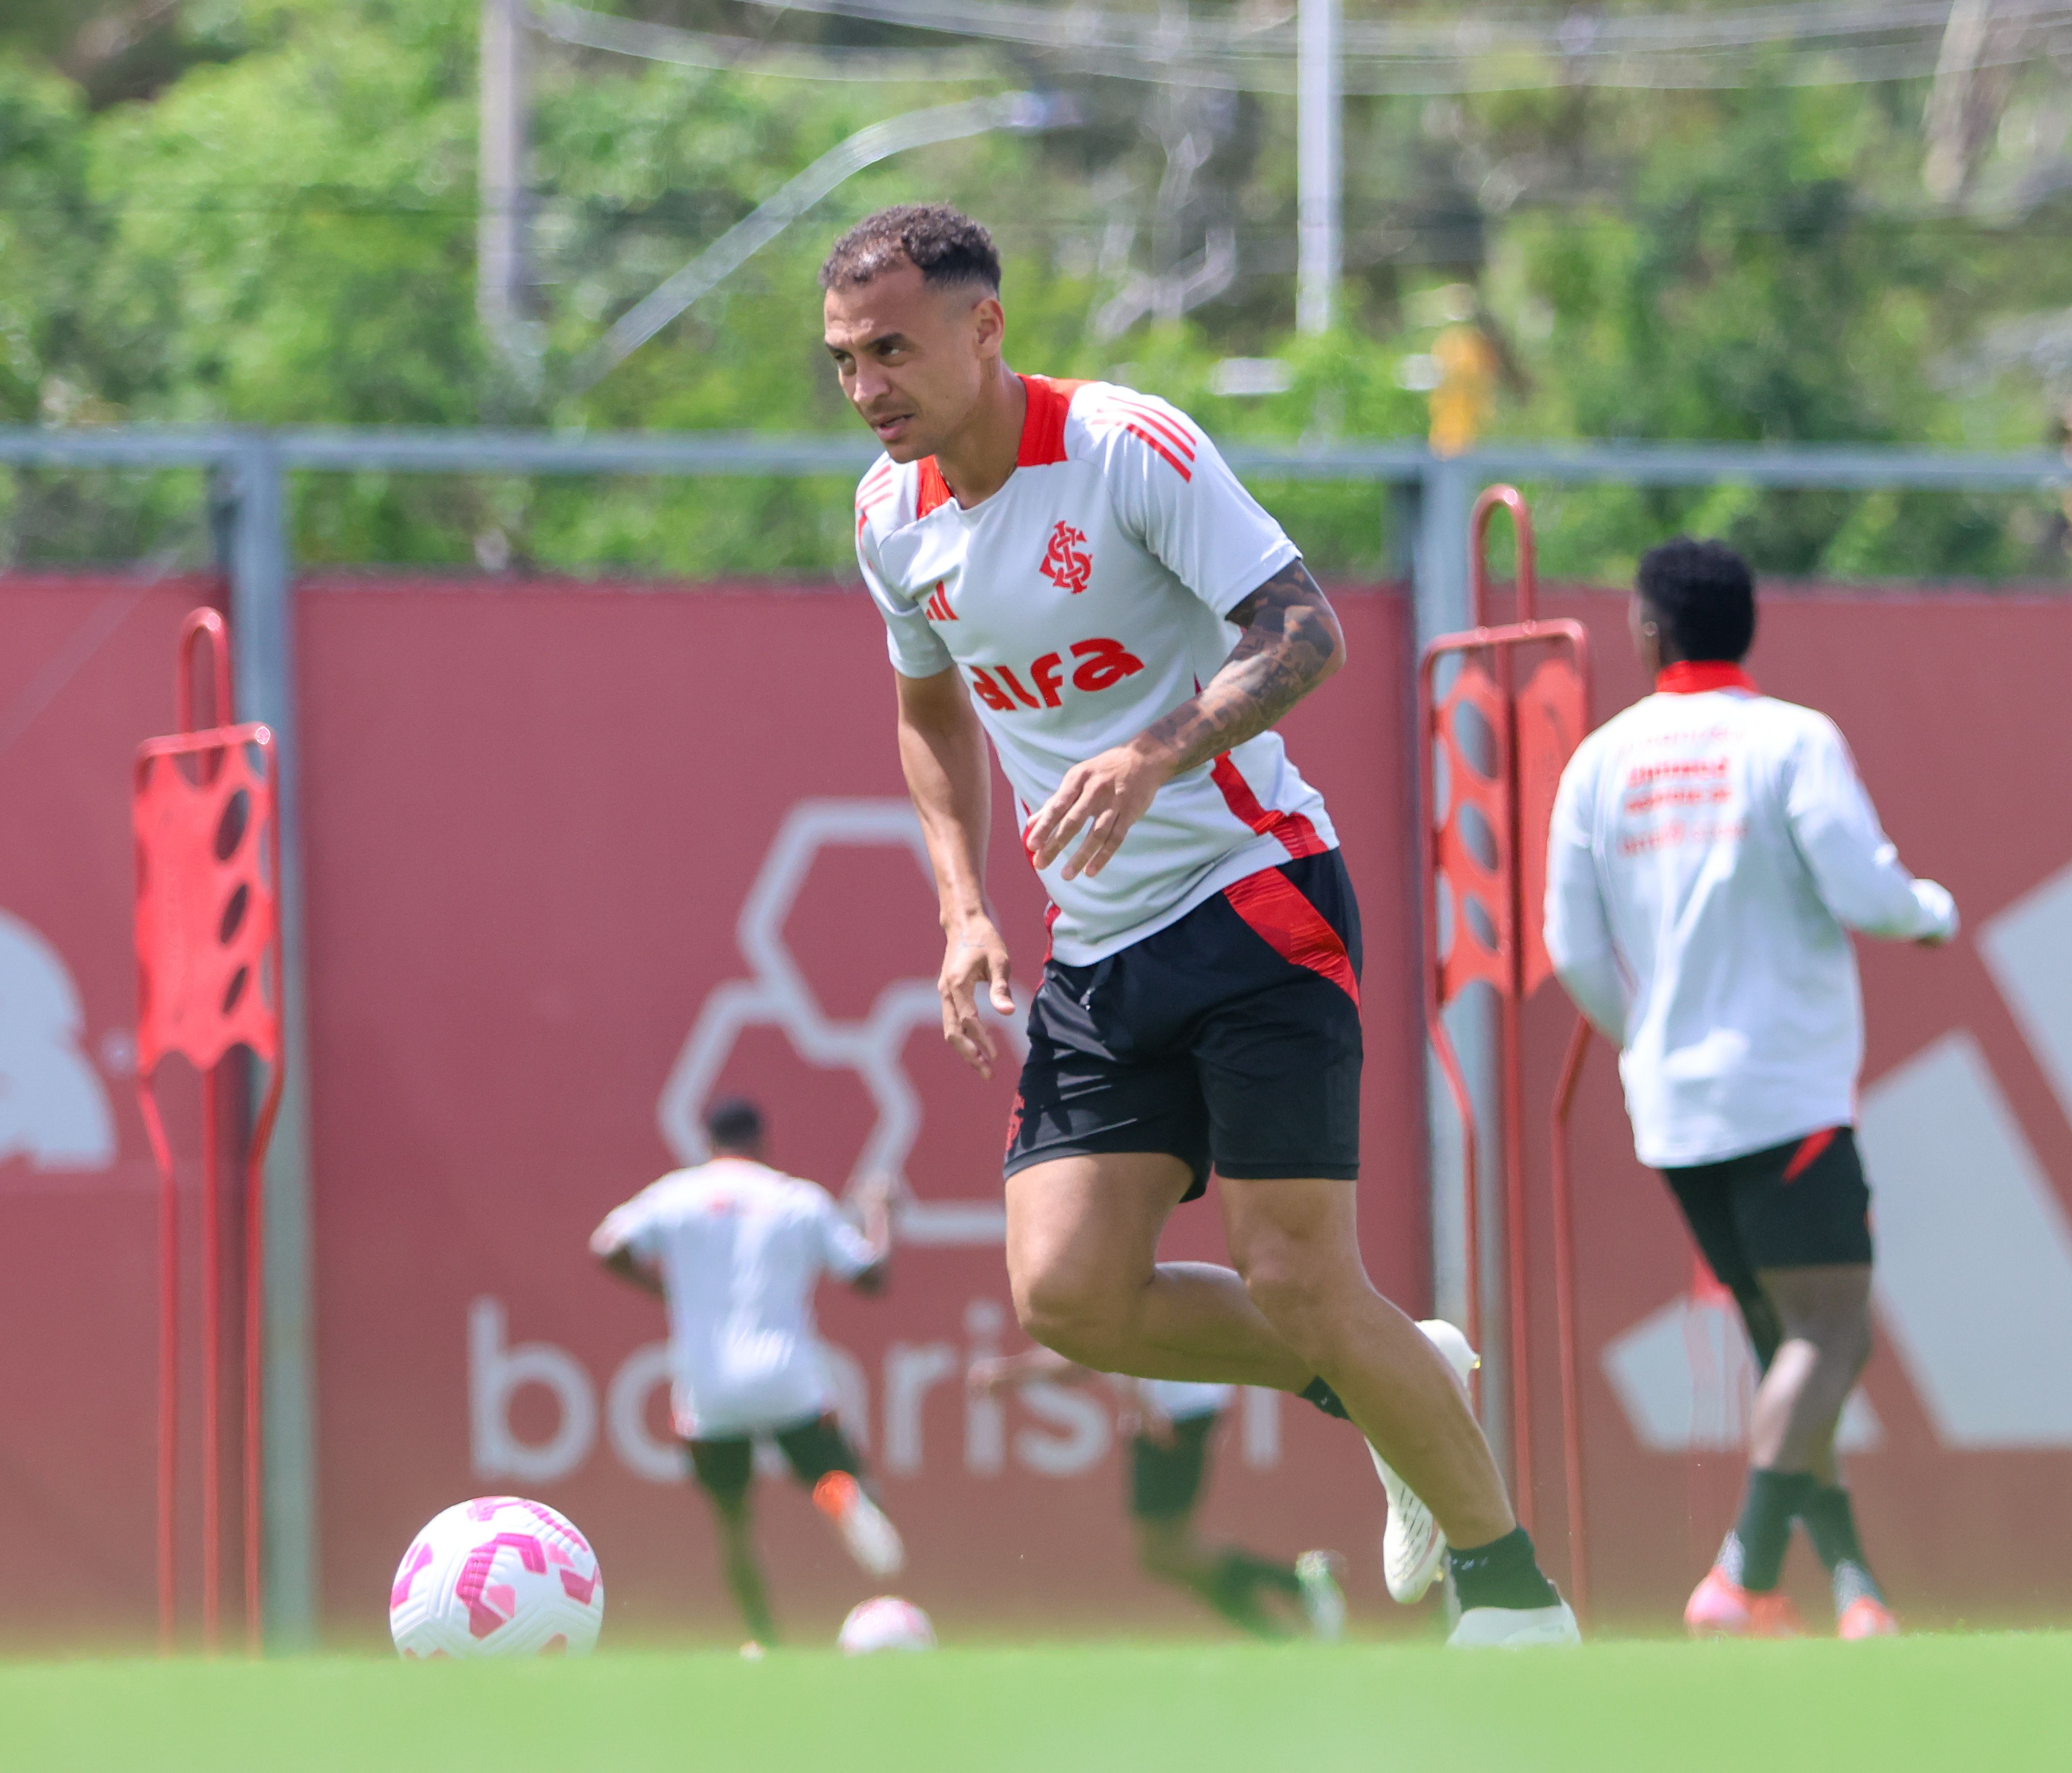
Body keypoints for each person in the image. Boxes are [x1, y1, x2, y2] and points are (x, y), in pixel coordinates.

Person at [827, 202, 1572, 1646]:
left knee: (1297, 1268)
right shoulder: (885, 516)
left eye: (895, 350)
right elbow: (927, 709)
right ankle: (1382, 1376)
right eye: (847, 358)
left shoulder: (1126, 448)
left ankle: (1510, 1587)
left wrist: (1154, 747)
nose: (868, 387)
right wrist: (964, 904)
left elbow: (1304, 628)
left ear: (985, 328)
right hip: (1095, 948)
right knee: (1070, 1295)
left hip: (1251, 889)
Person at [1542, 537, 1956, 1641]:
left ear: (1646, 630)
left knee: (1785, 1345)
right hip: (1782, 1091)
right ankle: (1741, 1572)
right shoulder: (1790, 740)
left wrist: (1648, 1042)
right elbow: (1865, 892)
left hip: (1672, 1109)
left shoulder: (1599, 761)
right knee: (1832, 1333)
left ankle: (1854, 1590)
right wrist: (1928, 911)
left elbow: (1569, 950)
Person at [590, 1095, 906, 1649]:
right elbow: (870, 1277)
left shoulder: (677, 1195)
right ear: (761, 1143)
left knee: (733, 1522)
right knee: (829, 1476)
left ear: (709, 1143)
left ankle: (762, 1640)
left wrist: (667, 1292)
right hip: (787, 1379)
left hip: (709, 1389)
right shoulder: (794, 1199)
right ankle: (837, 1496)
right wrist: (880, 1209)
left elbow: (608, 1247)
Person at [971, 1347, 1347, 1640]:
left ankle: (1299, 1587)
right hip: (1181, 1406)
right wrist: (1013, 1375)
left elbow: (1095, 1356)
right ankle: (1278, 1629)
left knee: (1165, 1549)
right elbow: (1086, 1358)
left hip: (1172, 1410)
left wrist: (1145, 1406)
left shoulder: (1099, 1275)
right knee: (1166, 1552)